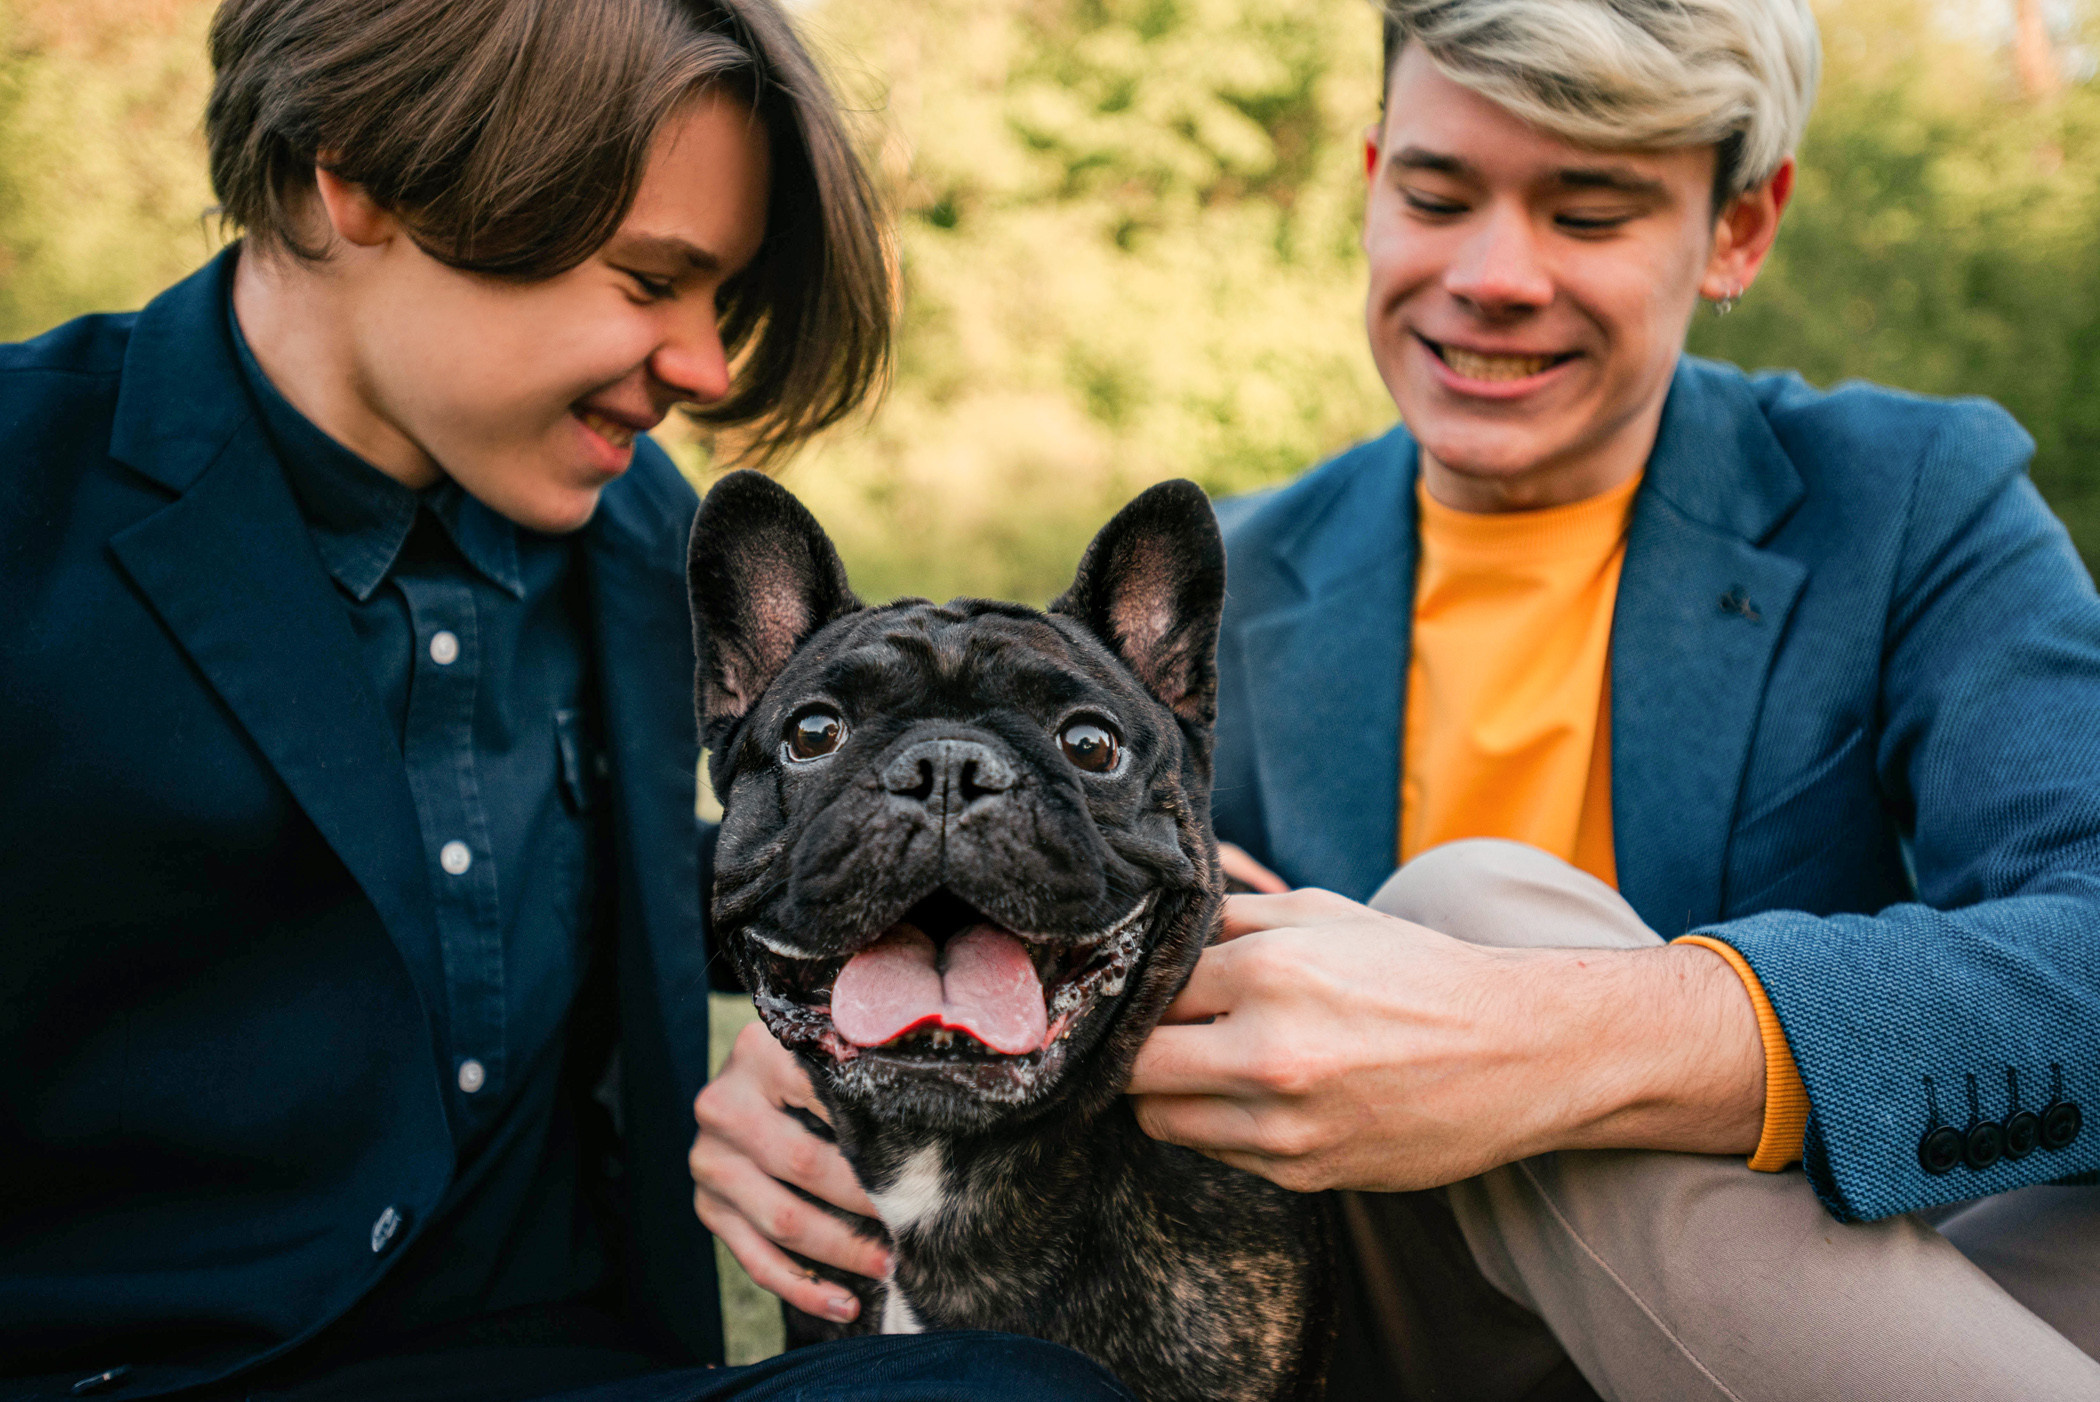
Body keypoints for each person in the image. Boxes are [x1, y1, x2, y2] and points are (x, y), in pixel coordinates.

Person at [692, 0, 2100, 1397]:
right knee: (1471, 900)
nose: (1492, 274)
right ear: (1369, 185)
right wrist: (851, 1037)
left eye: (1591, 213)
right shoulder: (1205, 591)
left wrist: (1561, 1037)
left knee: (1477, 914)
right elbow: (1053, 914)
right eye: (1436, 194)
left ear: (1739, 226)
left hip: (1830, 1292)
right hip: (1407, 1329)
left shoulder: (1910, 501)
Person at [0, 1, 1132, 1399]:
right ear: (360, 175)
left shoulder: (642, 535)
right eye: (650, 279)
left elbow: (757, 872)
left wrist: (820, 1043)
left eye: (719, 298)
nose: (708, 368)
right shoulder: (23, 489)